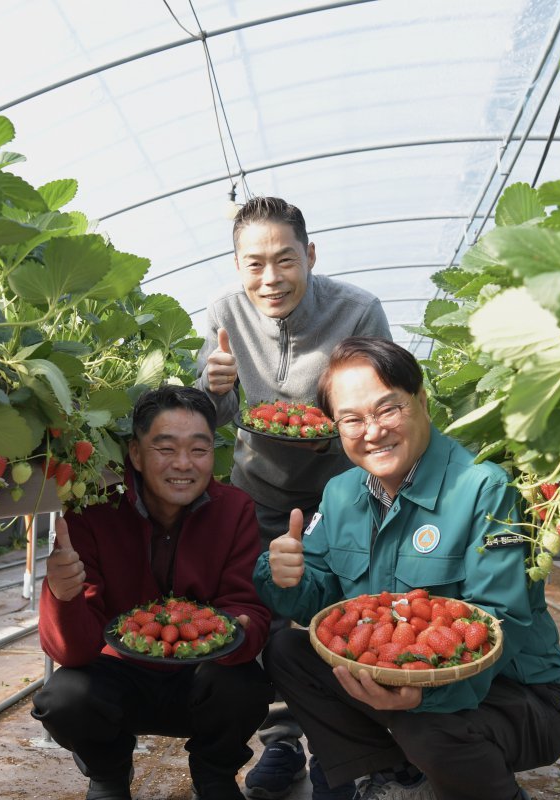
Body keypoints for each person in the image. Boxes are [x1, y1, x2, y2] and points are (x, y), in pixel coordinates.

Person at [253, 337, 560, 800]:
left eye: (388, 409)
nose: (371, 431)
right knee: (289, 650)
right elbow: (321, 602)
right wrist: (286, 577)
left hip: (519, 694)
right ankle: (393, 778)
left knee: (426, 728)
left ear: (422, 402)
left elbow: (500, 619)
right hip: (395, 676)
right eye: (352, 419)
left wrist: (423, 695)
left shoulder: (484, 488)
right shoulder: (340, 493)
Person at [197, 196, 392, 798]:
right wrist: (215, 386)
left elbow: (384, 399)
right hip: (256, 491)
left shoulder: (358, 310)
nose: (270, 278)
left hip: (342, 494)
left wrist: (343, 420)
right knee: (264, 614)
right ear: (237, 266)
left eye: (285, 260)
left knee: (336, 612)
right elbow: (213, 414)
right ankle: (281, 741)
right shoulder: (225, 312)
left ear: (309, 254)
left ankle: (341, 748)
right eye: (254, 264)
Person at [32, 385, 273, 800]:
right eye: (165, 448)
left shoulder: (235, 509)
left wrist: (241, 630)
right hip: (117, 675)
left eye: (198, 450)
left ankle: (214, 774)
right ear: (136, 454)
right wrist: (61, 594)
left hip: (199, 676)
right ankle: (108, 772)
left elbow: (245, 606)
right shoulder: (93, 510)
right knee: (65, 698)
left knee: (246, 686)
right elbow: (71, 653)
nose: (184, 464)